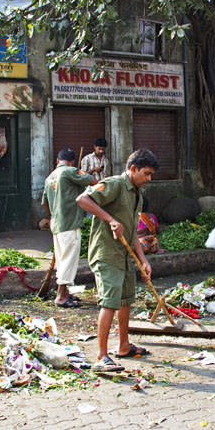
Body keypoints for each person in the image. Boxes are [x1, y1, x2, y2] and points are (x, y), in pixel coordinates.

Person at [76, 149, 157, 373]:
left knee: (125, 300)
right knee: (109, 302)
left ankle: (123, 346)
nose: (149, 179)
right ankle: (101, 357)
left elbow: (132, 233)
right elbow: (82, 199)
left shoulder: (137, 193)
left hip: (124, 254)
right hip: (107, 254)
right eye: (147, 173)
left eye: (151, 175)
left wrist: (143, 261)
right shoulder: (114, 184)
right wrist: (110, 219)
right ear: (133, 169)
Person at [41, 148, 96, 308]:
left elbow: (44, 203)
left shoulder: (49, 177)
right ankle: (60, 296)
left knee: (62, 259)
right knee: (68, 261)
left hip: (57, 225)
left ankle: (65, 293)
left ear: (57, 160)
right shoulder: (70, 171)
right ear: (71, 161)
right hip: (70, 224)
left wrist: (55, 214)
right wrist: (80, 173)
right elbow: (92, 181)